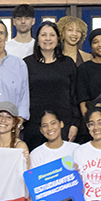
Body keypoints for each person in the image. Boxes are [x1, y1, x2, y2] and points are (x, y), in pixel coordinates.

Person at [23, 21, 79, 150]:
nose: (48, 39)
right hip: (34, 126)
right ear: (37, 40)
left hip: (63, 124)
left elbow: (75, 95)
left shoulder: (68, 63)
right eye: (43, 35)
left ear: (58, 40)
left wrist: (75, 124)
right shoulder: (26, 64)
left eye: (52, 35)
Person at [30, 111, 79, 201]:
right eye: (45, 126)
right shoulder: (36, 154)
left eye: (53, 123)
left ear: (61, 124)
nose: (50, 128)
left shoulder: (76, 149)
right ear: (41, 130)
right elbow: (35, 186)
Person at [0, 100, 31, 166]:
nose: (3, 120)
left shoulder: (20, 147)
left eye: (8, 117)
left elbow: (26, 170)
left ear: (14, 123)